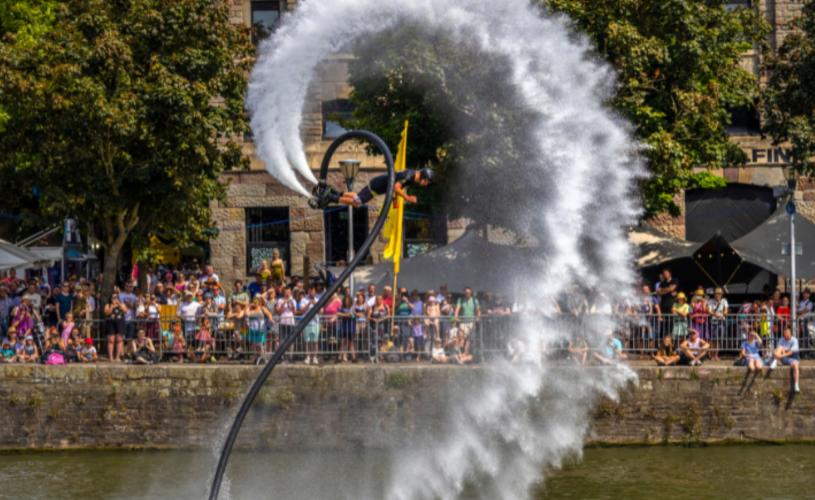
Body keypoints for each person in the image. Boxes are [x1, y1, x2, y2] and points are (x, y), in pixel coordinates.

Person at [310, 167, 433, 209]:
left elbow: (396, 184)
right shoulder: (409, 175)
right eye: (426, 182)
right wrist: (408, 198)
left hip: (377, 185)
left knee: (356, 197)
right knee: (357, 202)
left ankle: (333, 192)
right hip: (377, 186)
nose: (425, 184)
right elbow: (396, 187)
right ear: (424, 177)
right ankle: (331, 197)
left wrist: (395, 199)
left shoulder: (410, 177)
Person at [770, 327, 800, 393]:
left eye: (787, 333)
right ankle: (775, 361)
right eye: (785, 334)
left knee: (796, 366)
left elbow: (791, 352)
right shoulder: (781, 339)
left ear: (790, 333)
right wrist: (782, 351)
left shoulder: (794, 340)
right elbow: (778, 349)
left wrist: (782, 354)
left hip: (793, 358)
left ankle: (796, 384)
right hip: (783, 357)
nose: (786, 335)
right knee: (779, 348)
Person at [454, 287, 481, 354]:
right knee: (461, 337)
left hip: (471, 322)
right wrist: (455, 317)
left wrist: (478, 317)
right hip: (463, 322)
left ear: (471, 293)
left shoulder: (475, 300)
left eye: (468, 292)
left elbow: (478, 310)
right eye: (466, 292)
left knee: (469, 339)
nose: (467, 293)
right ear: (464, 293)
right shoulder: (460, 300)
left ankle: (466, 353)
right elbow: (457, 309)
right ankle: (459, 353)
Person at [104, 293, 127, 362]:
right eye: (113, 297)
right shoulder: (108, 305)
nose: (114, 299)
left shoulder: (121, 304)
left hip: (120, 323)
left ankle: (117, 357)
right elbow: (106, 313)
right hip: (110, 323)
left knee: (119, 340)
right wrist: (112, 306)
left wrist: (119, 304)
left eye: (116, 297)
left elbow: (125, 311)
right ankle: (111, 357)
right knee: (111, 340)